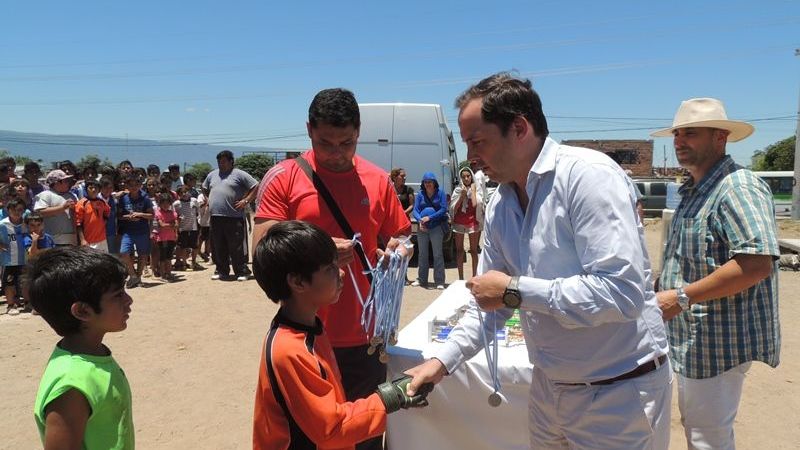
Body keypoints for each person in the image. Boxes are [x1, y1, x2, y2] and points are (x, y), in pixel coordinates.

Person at [406, 72, 671, 449]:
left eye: (477, 141)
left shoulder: (587, 178)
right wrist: (442, 362)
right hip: (550, 390)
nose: (471, 157)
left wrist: (515, 290)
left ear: (519, 127)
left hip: (619, 393)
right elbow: (489, 303)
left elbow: (622, 292)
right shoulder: (501, 204)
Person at [252, 88, 412, 450]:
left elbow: (400, 235)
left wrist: (397, 252)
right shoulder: (284, 178)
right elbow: (262, 250)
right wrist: (321, 249)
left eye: (348, 143)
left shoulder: (377, 180)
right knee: (318, 437)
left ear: (359, 132)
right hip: (309, 335)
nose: (338, 153)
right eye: (327, 143)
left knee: (368, 433)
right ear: (309, 130)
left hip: (367, 337)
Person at [651, 98, 780, 450]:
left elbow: (756, 263)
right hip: (697, 335)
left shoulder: (737, 187)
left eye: (690, 133)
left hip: (719, 338)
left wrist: (680, 296)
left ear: (720, 137)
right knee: (700, 428)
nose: (679, 141)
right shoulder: (695, 189)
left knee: (708, 437)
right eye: (677, 134)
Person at [251, 220, 430, 449]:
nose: (342, 273)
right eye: (330, 269)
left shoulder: (311, 326)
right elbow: (331, 429)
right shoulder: (290, 351)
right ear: (297, 282)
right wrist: (392, 396)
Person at [29, 246, 134, 450]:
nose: (129, 300)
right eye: (118, 295)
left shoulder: (94, 354)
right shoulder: (72, 386)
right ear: (83, 311)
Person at [202, 150, 259, 282]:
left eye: (223, 161)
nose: (220, 164)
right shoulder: (212, 175)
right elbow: (205, 187)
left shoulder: (239, 174)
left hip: (233, 216)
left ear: (231, 161)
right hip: (216, 216)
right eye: (219, 162)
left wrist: (246, 200)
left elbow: (256, 186)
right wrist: (208, 199)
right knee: (218, 244)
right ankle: (222, 270)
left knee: (236, 245)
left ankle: (242, 270)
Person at [411, 171, 448, 290]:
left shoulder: (440, 193)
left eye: (430, 182)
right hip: (422, 227)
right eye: (426, 182)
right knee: (422, 254)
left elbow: (443, 209)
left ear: (434, 183)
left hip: (436, 226)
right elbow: (415, 210)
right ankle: (422, 279)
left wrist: (430, 217)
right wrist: (420, 220)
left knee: (437, 254)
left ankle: (439, 281)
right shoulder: (420, 194)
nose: (428, 184)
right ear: (423, 183)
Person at [118, 175, 154, 288]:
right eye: (130, 185)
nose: (133, 187)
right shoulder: (123, 199)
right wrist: (127, 217)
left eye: (136, 185)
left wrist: (140, 214)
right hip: (128, 232)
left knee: (143, 254)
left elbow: (151, 215)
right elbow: (119, 216)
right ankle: (133, 275)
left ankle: (138, 277)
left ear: (140, 185)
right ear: (127, 186)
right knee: (124, 253)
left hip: (142, 231)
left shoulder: (145, 198)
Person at [450, 166, 483, 280]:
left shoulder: (476, 189)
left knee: (473, 251)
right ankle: (460, 278)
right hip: (459, 222)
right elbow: (454, 208)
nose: (466, 178)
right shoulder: (458, 189)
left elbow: (475, 204)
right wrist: (462, 196)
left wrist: (472, 191)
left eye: (468, 176)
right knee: (459, 251)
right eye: (463, 177)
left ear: (471, 177)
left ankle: (474, 276)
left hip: (472, 222)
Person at [34, 170, 78, 246]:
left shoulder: (71, 196)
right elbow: (39, 213)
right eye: (66, 181)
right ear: (57, 183)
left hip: (70, 240)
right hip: (52, 240)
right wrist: (62, 208)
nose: (68, 183)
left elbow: (74, 216)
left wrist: (75, 234)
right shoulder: (45, 195)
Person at [0, 198, 29, 315]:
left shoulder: (26, 223)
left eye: (20, 210)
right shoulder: (2, 224)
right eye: (13, 210)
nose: (17, 212)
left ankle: (28, 303)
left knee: (25, 282)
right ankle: (11, 305)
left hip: (25, 260)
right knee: (9, 283)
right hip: (8, 261)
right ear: (8, 210)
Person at [75, 179, 111, 252]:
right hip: (89, 240)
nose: (94, 190)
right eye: (91, 188)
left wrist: (104, 221)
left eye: (96, 188)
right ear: (86, 189)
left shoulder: (102, 202)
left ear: (99, 190)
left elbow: (107, 210)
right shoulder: (82, 203)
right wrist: (82, 240)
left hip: (102, 239)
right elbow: (78, 224)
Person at [173, 186, 201, 271]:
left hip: (193, 227)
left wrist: (198, 221)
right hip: (182, 228)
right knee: (183, 247)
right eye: (181, 193)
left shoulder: (194, 201)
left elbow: (198, 212)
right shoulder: (176, 204)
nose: (184, 194)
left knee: (195, 246)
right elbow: (174, 215)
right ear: (178, 195)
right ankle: (184, 263)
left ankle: (193, 261)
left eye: (185, 192)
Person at [154, 193, 179, 282]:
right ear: (160, 203)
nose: (165, 205)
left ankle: (169, 273)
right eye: (163, 203)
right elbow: (162, 225)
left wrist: (170, 225)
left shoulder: (173, 213)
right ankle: (162, 275)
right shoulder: (158, 212)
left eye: (167, 203)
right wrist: (171, 224)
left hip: (171, 237)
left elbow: (176, 225)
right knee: (163, 257)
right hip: (162, 238)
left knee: (169, 256)